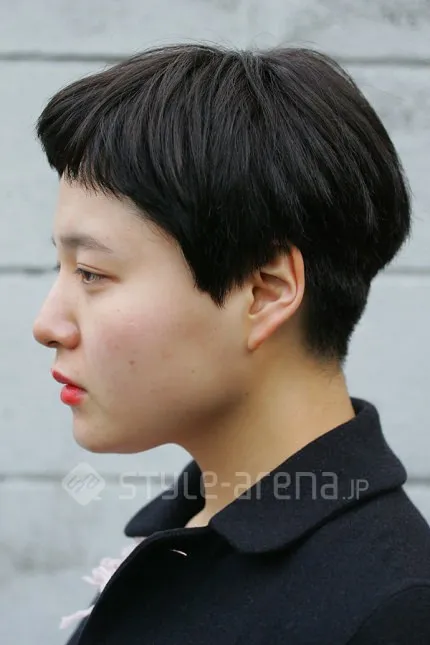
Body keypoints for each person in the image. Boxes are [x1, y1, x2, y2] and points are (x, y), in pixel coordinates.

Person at [33, 43, 430, 644]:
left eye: (91, 273)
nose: (47, 324)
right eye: (61, 269)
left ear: (266, 292)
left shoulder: (390, 611)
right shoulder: (191, 536)